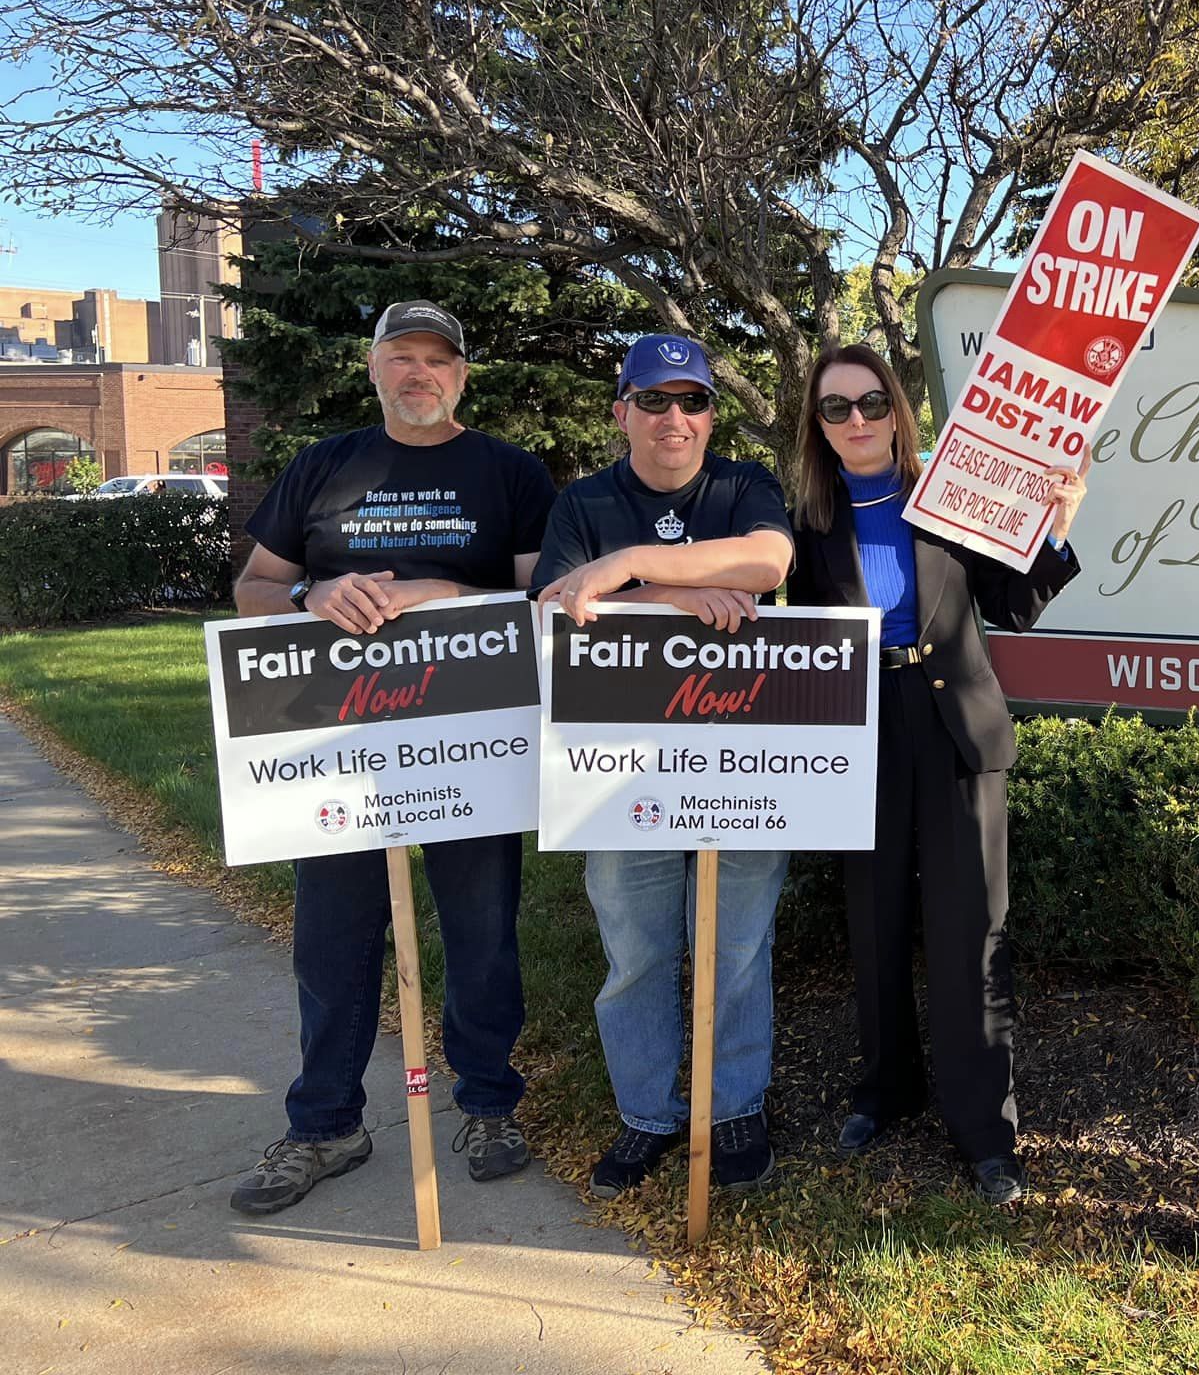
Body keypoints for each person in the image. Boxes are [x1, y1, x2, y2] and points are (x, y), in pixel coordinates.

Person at [230, 299, 557, 1214]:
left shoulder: (509, 471)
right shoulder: (322, 467)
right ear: (372, 368)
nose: (420, 373)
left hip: (469, 738)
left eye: (437, 359)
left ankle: (489, 1105)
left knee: (481, 932)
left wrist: (448, 588)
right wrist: (310, 591)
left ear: (462, 374)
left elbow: (544, 595)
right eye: (401, 356)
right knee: (332, 936)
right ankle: (327, 1122)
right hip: (336, 740)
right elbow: (253, 586)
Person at [784, 344, 1086, 1205]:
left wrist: (1055, 525)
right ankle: (886, 1090)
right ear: (816, 423)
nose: (857, 422)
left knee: (970, 929)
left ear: (899, 410)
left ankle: (985, 1128)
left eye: (872, 403)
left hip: (954, 724)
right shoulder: (800, 522)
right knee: (873, 920)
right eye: (835, 408)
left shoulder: (950, 496)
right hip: (858, 728)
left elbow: (1014, 606)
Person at [532, 333, 795, 1196]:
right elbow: (557, 604)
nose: (673, 418)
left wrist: (632, 568)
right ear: (623, 413)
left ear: (712, 414)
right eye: (653, 400)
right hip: (617, 768)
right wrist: (680, 597)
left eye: (692, 401)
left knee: (739, 946)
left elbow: (769, 562)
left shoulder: (745, 485)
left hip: (740, 756)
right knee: (638, 951)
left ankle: (733, 1109)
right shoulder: (583, 500)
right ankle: (647, 1113)